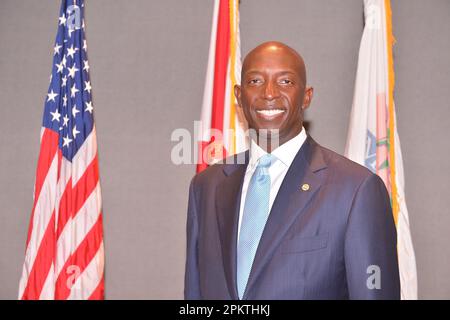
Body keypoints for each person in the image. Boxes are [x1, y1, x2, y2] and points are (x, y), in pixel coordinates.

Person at [184, 41, 400, 299]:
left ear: (306, 96)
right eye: (255, 81)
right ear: (238, 96)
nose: (269, 93)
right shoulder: (206, 187)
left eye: (285, 81)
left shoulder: (355, 189)